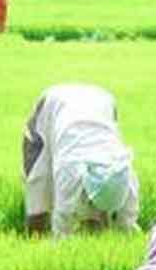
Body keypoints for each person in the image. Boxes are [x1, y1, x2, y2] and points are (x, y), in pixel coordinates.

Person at [22, 84, 141, 237]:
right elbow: (61, 231)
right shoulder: (69, 175)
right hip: (51, 106)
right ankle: (34, 244)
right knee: (38, 202)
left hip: (101, 103)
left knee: (96, 223)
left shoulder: (126, 178)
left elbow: (128, 227)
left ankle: (94, 234)